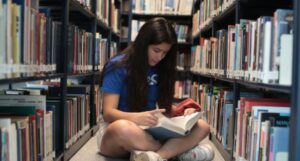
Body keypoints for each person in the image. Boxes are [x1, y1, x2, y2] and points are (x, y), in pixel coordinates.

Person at [97, 17, 214, 161]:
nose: (159, 57)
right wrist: (137, 117)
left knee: (202, 126)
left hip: (149, 130)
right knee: (122, 128)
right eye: (156, 50)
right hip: (119, 132)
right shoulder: (117, 66)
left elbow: (161, 108)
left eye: (165, 53)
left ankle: (156, 157)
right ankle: (175, 153)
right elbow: (108, 113)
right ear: (143, 44)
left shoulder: (161, 68)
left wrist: (183, 114)